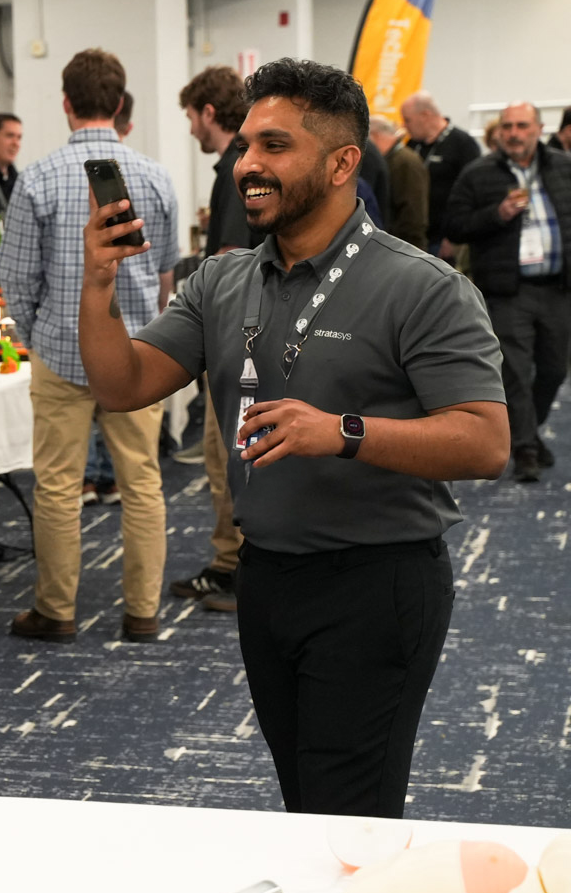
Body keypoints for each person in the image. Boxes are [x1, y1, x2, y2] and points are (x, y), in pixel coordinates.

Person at [81, 56, 507, 817]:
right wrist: (97, 284)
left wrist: (341, 431)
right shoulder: (222, 281)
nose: (247, 163)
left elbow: (484, 442)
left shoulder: (423, 287)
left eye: (274, 146)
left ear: (342, 163)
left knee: (349, 814)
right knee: (303, 804)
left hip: (376, 581)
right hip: (267, 578)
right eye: (246, 144)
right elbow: (122, 386)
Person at [0, 48, 177, 644]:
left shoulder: (37, 178)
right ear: (120, 104)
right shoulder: (155, 176)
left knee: (56, 486)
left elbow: (17, 278)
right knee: (142, 482)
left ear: (66, 104)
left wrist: (38, 337)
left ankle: (57, 612)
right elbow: (167, 273)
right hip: (138, 352)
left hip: (60, 350)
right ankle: (142, 613)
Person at [444, 101, 571, 483]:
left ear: (539, 129)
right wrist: (496, 215)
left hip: (557, 287)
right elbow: (455, 225)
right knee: (514, 371)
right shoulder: (478, 173)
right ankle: (526, 449)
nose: (514, 133)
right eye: (508, 126)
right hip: (508, 290)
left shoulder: (563, 167)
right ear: (499, 131)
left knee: (553, 370)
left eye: (522, 126)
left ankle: (525, 432)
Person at [172, 65, 253, 611]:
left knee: (226, 458)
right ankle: (230, 565)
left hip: (232, 340)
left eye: (190, 117)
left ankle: (236, 571)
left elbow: (230, 258)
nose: (190, 129)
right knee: (227, 457)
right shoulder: (243, 167)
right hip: (244, 336)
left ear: (208, 112)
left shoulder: (234, 168)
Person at [401, 90, 482, 257]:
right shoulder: (412, 144)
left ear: (425, 115)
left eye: (408, 120)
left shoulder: (463, 144)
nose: (404, 126)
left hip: (446, 238)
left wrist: (454, 238)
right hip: (416, 236)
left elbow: (474, 193)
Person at [369, 116, 430, 250]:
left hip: (405, 247)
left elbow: (413, 212)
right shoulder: (394, 160)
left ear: (375, 135)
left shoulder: (405, 162)